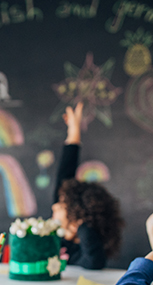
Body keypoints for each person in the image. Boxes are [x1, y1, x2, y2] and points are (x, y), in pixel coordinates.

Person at [52, 102, 124, 270]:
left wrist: (81, 226)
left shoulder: (87, 244)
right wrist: (73, 133)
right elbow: (65, 172)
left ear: (76, 212)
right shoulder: (57, 233)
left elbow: (94, 263)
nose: (54, 206)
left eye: (61, 204)